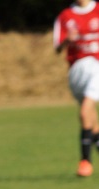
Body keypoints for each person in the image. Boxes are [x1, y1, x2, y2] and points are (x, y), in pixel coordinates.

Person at [55, 0, 99, 177]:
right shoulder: (65, 16)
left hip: (97, 66)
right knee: (91, 120)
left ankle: (85, 162)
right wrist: (67, 39)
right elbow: (57, 47)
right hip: (77, 72)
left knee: (85, 111)